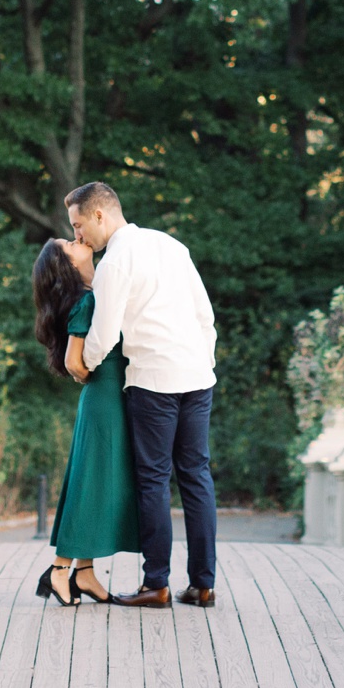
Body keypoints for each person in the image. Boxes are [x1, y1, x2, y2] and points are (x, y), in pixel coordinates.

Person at [65, 182, 217, 609]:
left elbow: (105, 333)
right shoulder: (171, 245)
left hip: (153, 380)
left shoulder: (116, 260)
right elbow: (205, 314)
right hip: (197, 375)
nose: (79, 237)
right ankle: (204, 584)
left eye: (79, 225)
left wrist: (84, 368)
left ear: (99, 215)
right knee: (196, 476)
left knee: (153, 481)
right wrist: (204, 360)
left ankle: (157, 584)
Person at [29, 236, 141, 604]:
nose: (76, 238)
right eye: (68, 242)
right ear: (68, 264)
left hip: (109, 398)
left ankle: (85, 573)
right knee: (91, 484)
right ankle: (60, 571)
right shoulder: (87, 300)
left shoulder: (97, 290)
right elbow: (73, 362)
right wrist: (82, 372)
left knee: (97, 481)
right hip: (104, 401)